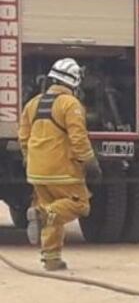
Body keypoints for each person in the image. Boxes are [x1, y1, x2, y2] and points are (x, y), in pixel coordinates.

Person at [18, 58, 101, 271]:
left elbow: (23, 137)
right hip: (62, 170)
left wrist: (30, 159)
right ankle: (41, 214)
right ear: (74, 82)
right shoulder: (70, 104)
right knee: (79, 205)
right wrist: (90, 162)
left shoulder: (33, 103)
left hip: (36, 171)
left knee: (55, 210)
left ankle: (51, 258)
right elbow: (78, 138)